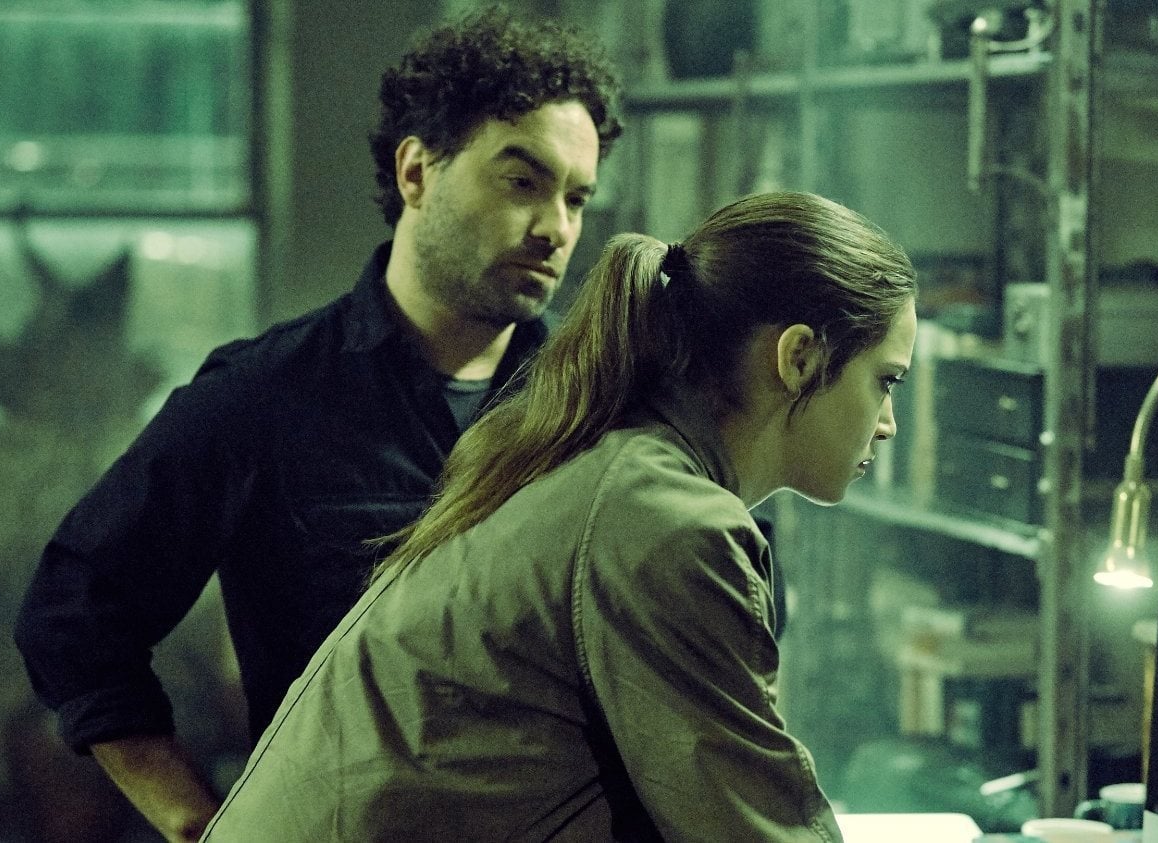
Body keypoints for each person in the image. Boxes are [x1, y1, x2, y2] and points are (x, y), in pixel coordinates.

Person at [12, 8, 622, 841]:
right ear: (417, 172)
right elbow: (74, 610)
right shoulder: (266, 396)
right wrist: (195, 820)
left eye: (577, 197)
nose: (557, 228)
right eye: (523, 182)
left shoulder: (600, 407)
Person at [200, 190, 919, 841]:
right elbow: (749, 824)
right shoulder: (668, 520)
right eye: (884, 381)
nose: (887, 423)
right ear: (798, 357)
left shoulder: (610, 462)